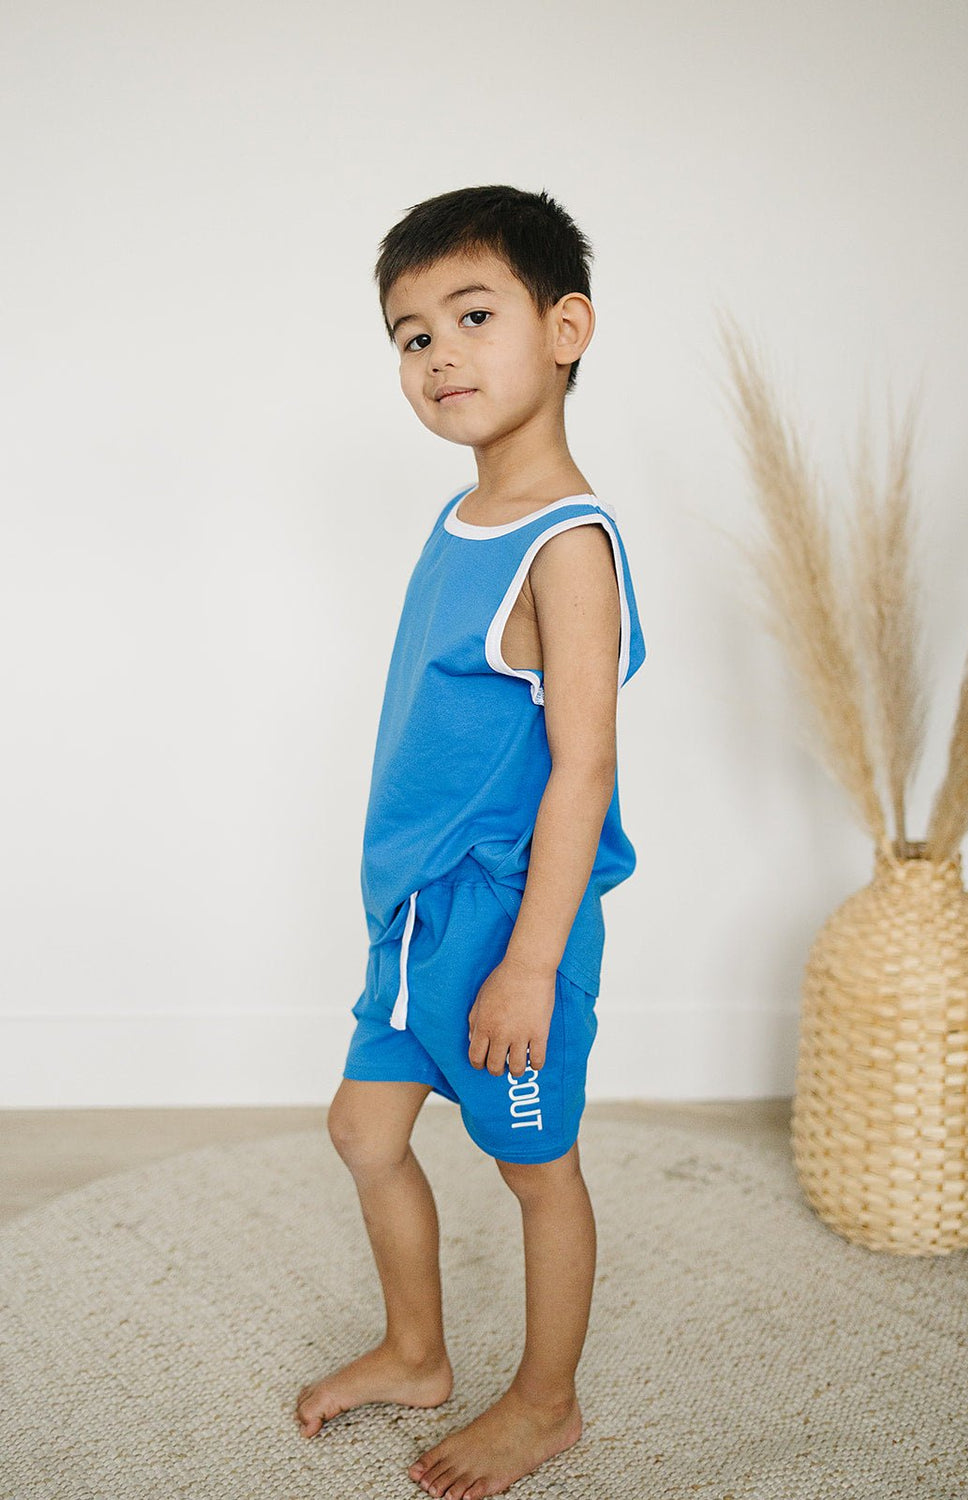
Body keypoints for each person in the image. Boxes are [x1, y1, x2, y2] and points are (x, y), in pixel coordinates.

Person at [295, 184, 646, 1500]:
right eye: (411, 334)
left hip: (505, 925)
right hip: (416, 918)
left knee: (534, 1166)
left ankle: (546, 1403)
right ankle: (417, 1351)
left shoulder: (568, 546)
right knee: (364, 1131)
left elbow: (584, 769)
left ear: (566, 329)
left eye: (473, 316)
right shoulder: (461, 521)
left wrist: (531, 964)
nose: (438, 353)